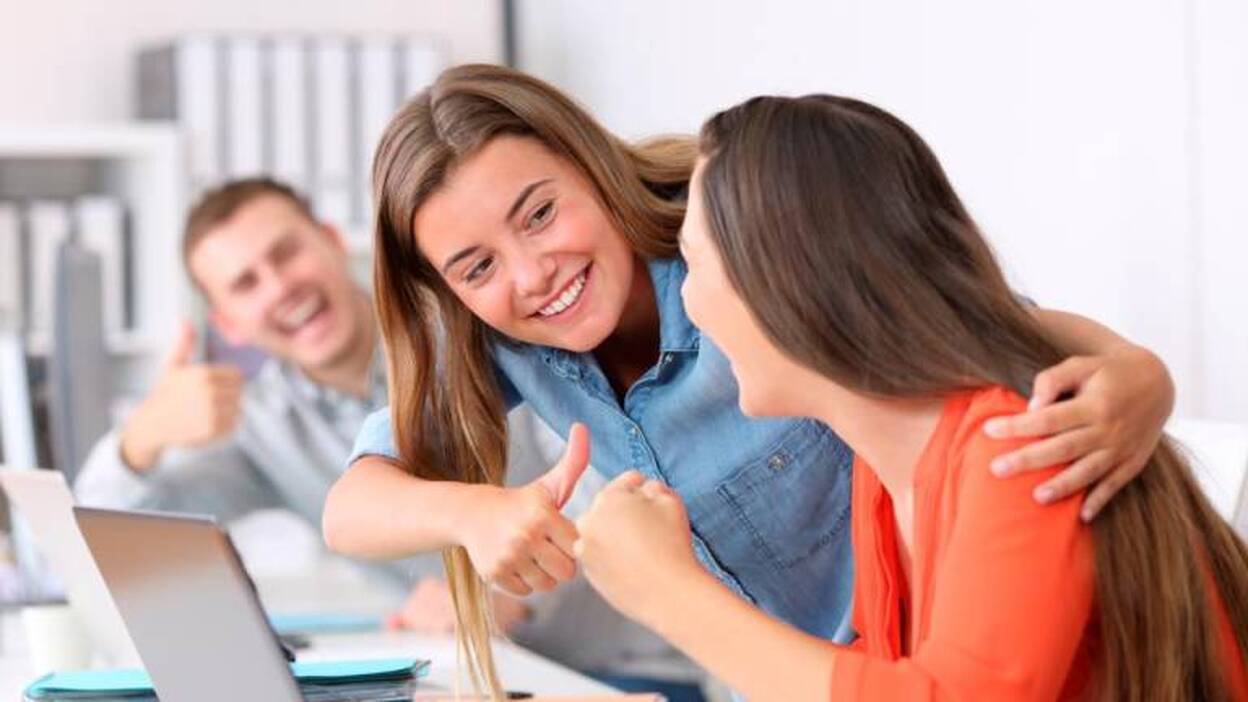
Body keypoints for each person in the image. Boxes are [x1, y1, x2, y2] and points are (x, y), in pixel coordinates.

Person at [322, 64, 1176, 695]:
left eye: (540, 213)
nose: (531, 272)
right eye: (476, 267)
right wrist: (476, 514)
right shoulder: (505, 338)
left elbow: (954, 318)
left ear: (591, 167)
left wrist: (1140, 373)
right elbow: (351, 507)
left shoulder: (733, 241)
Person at [572, 94, 1248, 701]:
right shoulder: (885, 470)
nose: (688, 304)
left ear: (789, 283)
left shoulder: (1014, 447)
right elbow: (885, 674)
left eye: (693, 262)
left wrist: (669, 593)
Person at [74, 178, 704, 696]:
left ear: (332, 242)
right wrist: (142, 436)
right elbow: (101, 545)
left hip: (622, 670)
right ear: (228, 323)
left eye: (286, 253)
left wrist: (502, 593)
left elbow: (609, 477)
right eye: (246, 284)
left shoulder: (473, 330)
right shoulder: (260, 428)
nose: (280, 287)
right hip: (466, 679)